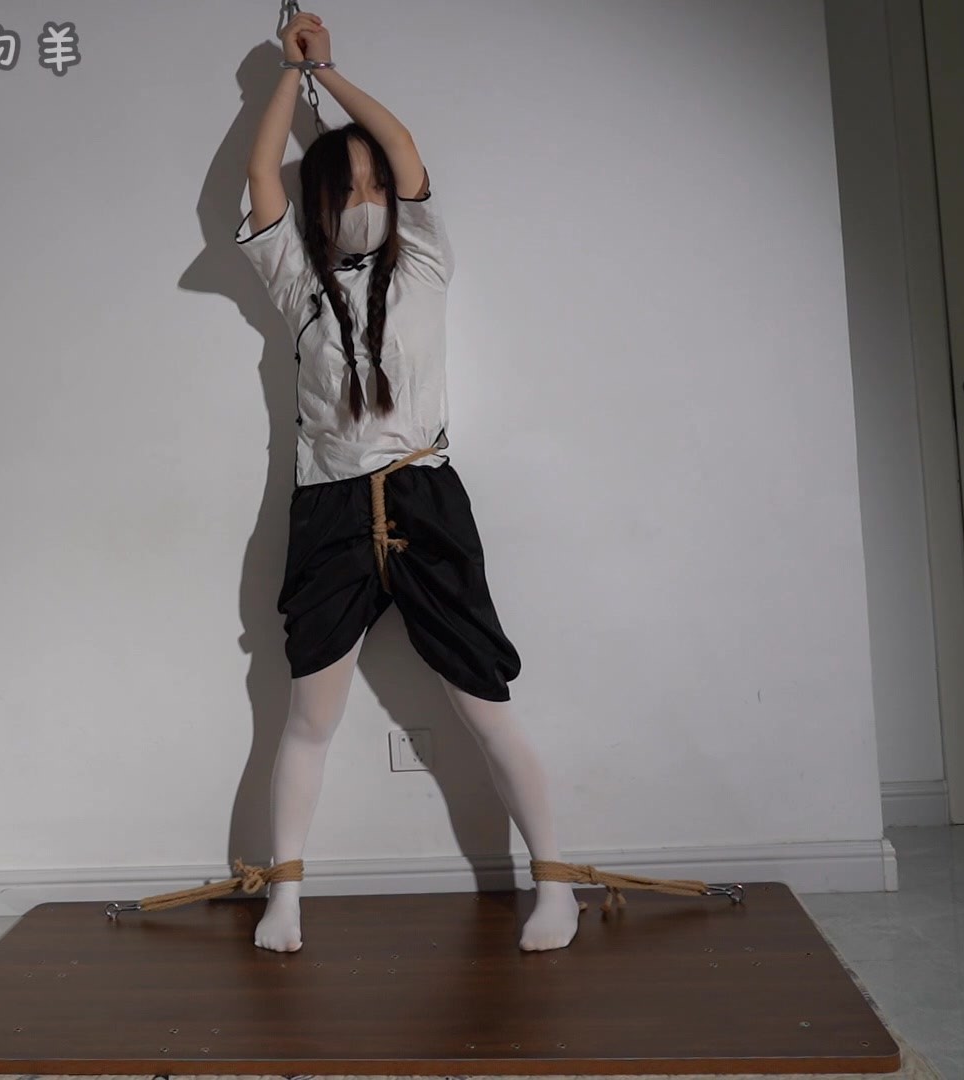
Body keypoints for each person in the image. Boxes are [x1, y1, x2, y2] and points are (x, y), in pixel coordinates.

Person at [234, 11, 582, 954]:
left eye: (374, 184)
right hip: (329, 510)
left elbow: (403, 145)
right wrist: (283, 80)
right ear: (319, 205)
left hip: (425, 497)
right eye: (344, 188)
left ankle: (556, 884)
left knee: (485, 703)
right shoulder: (296, 282)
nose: (365, 196)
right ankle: (286, 895)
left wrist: (329, 72)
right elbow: (262, 176)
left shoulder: (425, 258)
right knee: (309, 714)